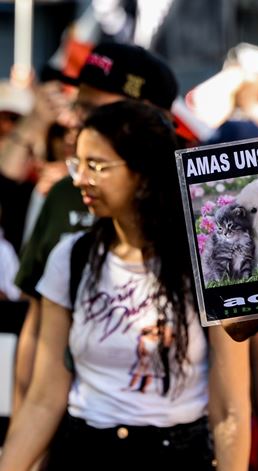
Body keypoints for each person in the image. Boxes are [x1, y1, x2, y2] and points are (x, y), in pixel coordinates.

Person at [0, 100, 250, 471]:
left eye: (96, 166)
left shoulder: (204, 261)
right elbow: (43, 398)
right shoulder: (71, 257)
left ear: (143, 172)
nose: (80, 178)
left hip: (176, 452)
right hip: (84, 449)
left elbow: (230, 409)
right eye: (77, 163)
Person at [12, 42, 181, 413]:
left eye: (94, 109)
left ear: (147, 117)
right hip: (72, 425)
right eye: (77, 105)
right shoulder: (62, 193)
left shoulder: (198, 206)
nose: (75, 119)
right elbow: (36, 326)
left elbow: (248, 360)